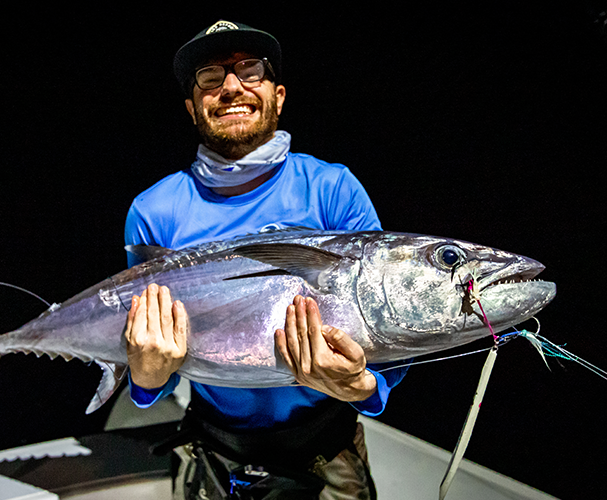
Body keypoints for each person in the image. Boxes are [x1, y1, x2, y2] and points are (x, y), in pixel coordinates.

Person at [122, 20, 408, 499]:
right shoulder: (154, 210)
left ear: (277, 96)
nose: (231, 86)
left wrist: (365, 386)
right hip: (213, 446)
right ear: (193, 108)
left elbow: (387, 325)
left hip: (327, 446)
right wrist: (146, 379)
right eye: (211, 77)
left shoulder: (332, 190)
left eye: (249, 71)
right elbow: (148, 363)